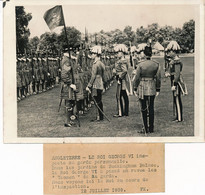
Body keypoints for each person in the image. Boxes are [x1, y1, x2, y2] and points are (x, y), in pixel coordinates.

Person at [133, 46, 161, 133]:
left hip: (142, 86)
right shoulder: (156, 64)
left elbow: (137, 78)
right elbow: (158, 78)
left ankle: (145, 128)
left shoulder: (140, 64)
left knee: (144, 107)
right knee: (151, 107)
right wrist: (158, 89)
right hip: (152, 85)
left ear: (144, 54)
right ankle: (151, 128)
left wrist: (135, 87)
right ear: (151, 54)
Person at [165, 41, 184, 122]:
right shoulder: (173, 60)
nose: (169, 53)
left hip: (176, 81)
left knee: (177, 98)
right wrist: (168, 73)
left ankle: (179, 118)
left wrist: (175, 84)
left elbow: (177, 74)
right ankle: (178, 116)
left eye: (170, 51)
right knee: (175, 98)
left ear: (174, 51)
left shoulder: (177, 61)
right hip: (173, 79)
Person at [86, 45, 105, 121]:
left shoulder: (95, 64)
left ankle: (99, 116)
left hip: (96, 84)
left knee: (97, 100)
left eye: (93, 54)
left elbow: (93, 76)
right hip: (100, 82)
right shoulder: (101, 63)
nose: (92, 55)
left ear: (96, 54)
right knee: (99, 100)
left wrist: (89, 85)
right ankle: (101, 116)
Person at [60, 48, 77, 127]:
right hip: (67, 86)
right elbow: (64, 74)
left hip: (68, 85)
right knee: (68, 103)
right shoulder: (66, 60)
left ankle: (70, 119)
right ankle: (67, 121)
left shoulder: (67, 59)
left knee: (71, 102)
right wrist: (70, 83)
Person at [113, 44, 129, 117]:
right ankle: (125, 111)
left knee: (118, 96)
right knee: (124, 95)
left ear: (122, 53)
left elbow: (124, 71)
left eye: (118, 52)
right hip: (121, 79)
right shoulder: (121, 60)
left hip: (121, 80)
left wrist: (119, 77)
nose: (117, 54)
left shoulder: (122, 61)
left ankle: (121, 112)